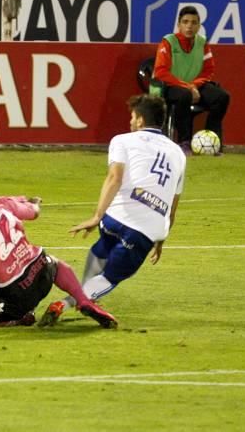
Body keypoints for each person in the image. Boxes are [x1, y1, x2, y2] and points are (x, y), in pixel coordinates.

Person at [39, 95, 186, 326]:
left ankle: (86, 293)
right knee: (110, 277)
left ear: (140, 120)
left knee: (102, 247)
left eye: (132, 116)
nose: (130, 121)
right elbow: (172, 205)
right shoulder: (178, 154)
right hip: (145, 230)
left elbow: (114, 178)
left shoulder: (122, 140)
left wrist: (98, 216)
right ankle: (67, 303)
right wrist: (161, 238)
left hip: (113, 218)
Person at [0, 172, 118, 332]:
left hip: (16, 295)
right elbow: (33, 211)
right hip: (43, 271)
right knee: (54, 262)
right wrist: (35, 203)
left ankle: (19, 317)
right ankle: (84, 300)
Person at [152, 6, 230, 153]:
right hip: (171, 87)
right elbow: (160, 72)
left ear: (199, 26)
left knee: (222, 97)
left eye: (194, 23)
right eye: (185, 22)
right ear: (179, 25)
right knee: (184, 95)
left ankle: (212, 140)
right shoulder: (168, 42)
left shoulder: (202, 43)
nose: (189, 26)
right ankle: (184, 141)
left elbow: (208, 70)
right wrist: (187, 87)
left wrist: (194, 85)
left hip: (195, 86)